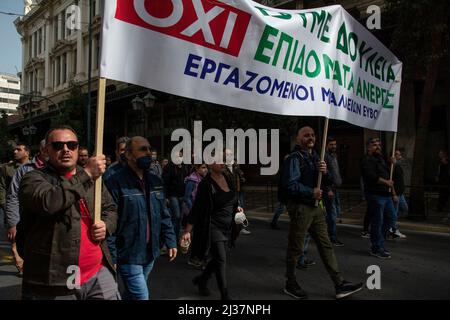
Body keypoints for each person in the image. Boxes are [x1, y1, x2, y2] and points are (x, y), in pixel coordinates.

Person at [17, 126, 119, 300]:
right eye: (58, 145)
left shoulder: (94, 178)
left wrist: (106, 225)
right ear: (46, 150)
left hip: (97, 271)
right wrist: (87, 174)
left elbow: (110, 208)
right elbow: (48, 203)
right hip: (55, 280)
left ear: (77, 149)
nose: (66, 149)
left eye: (71, 145)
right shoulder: (33, 178)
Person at [282, 126, 363, 300]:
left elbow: (329, 182)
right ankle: (290, 283)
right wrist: (310, 191)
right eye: (305, 135)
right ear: (298, 139)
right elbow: (290, 185)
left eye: (312, 135)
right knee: (295, 248)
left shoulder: (316, 158)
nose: (310, 137)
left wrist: (325, 173)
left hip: (315, 208)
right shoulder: (294, 159)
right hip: (300, 208)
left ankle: (339, 283)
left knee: (325, 244)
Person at [105, 136, 177, 300]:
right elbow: (110, 221)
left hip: (151, 252)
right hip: (128, 254)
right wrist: (112, 256)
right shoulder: (115, 182)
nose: (149, 153)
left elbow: (164, 214)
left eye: (149, 149)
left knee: (131, 295)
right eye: (143, 149)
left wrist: (171, 240)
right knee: (141, 296)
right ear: (129, 155)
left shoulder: (155, 180)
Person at [180, 152, 243, 300]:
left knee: (216, 259)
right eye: (219, 160)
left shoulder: (228, 176)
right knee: (221, 259)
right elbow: (197, 208)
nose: (223, 162)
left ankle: (202, 280)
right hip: (212, 226)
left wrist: (238, 208)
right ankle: (225, 295)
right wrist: (187, 231)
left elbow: (234, 197)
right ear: (209, 163)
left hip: (228, 226)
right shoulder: (205, 184)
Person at [5, 140, 46, 274]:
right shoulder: (24, 169)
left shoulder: (61, 168)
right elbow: (12, 196)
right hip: (29, 223)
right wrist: (13, 223)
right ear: (41, 150)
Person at [360, 137, 396, 259]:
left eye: (379, 144)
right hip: (375, 194)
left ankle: (378, 242)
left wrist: (390, 163)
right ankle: (376, 248)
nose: (378, 146)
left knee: (391, 218)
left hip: (386, 194)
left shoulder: (380, 158)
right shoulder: (366, 160)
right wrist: (386, 183)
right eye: (375, 145)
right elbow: (371, 176)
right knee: (378, 221)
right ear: (368, 147)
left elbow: (386, 174)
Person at [183, 163, 208, 268]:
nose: (205, 169)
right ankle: (194, 257)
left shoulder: (203, 179)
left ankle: (197, 257)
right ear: (197, 169)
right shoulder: (192, 180)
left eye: (206, 167)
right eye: (203, 167)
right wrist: (193, 209)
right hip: (194, 210)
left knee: (200, 235)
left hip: (202, 211)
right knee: (197, 235)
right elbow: (187, 197)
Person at [163, 151, 190, 239]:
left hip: (182, 196)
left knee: (179, 218)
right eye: (177, 156)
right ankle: (172, 237)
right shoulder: (169, 168)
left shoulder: (185, 167)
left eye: (181, 156)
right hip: (172, 195)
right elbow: (165, 183)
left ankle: (176, 236)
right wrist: (166, 196)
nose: (179, 158)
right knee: (176, 216)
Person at [324, 137, 344, 247]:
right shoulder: (325, 156)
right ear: (326, 145)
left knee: (335, 212)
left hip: (336, 189)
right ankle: (332, 237)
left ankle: (328, 233)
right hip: (330, 190)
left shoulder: (334, 156)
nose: (334, 146)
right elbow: (324, 174)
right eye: (331, 144)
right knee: (331, 214)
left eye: (335, 144)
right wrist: (329, 189)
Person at [224, 148, 250, 235]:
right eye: (227, 154)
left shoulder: (235, 165)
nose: (229, 156)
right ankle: (229, 228)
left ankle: (241, 228)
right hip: (228, 193)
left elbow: (241, 175)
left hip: (238, 191)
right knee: (229, 210)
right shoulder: (222, 167)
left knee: (241, 209)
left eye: (231, 154)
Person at [0, 143, 30, 214]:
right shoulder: (7, 168)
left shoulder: (35, 167)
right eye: (14, 150)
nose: (15, 151)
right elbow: (1, 186)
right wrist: (4, 204)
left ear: (27, 153)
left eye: (19, 150)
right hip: (11, 207)